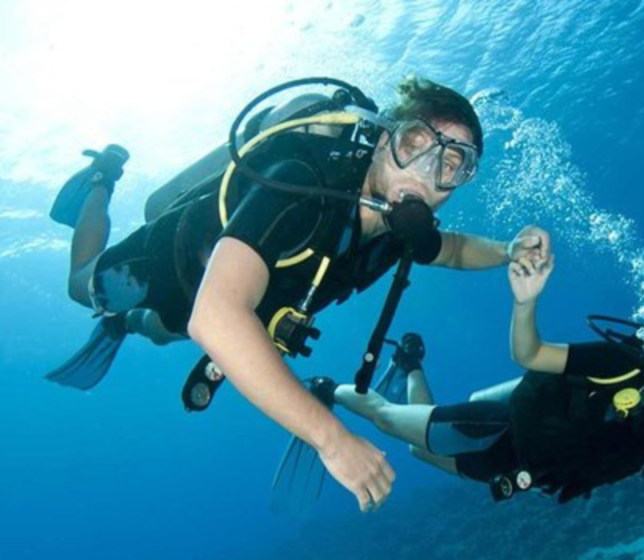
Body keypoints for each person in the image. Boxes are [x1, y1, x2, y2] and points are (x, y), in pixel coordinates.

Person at [45, 76, 550, 514]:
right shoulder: (303, 183)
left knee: (161, 333)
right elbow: (217, 317)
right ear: (382, 138)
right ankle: (99, 179)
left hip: (230, 303)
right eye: (416, 143)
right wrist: (329, 439)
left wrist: (508, 249)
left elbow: (451, 249)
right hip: (177, 259)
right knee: (81, 288)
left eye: (453, 164)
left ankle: (127, 323)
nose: (425, 173)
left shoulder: (398, 224)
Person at [331, 248, 644, 533]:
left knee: (416, 451)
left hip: (517, 473)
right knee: (389, 419)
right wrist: (526, 302)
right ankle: (328, 390)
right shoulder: (621, 363)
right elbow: (530, 354)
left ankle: (409, 364)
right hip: (495, 430)